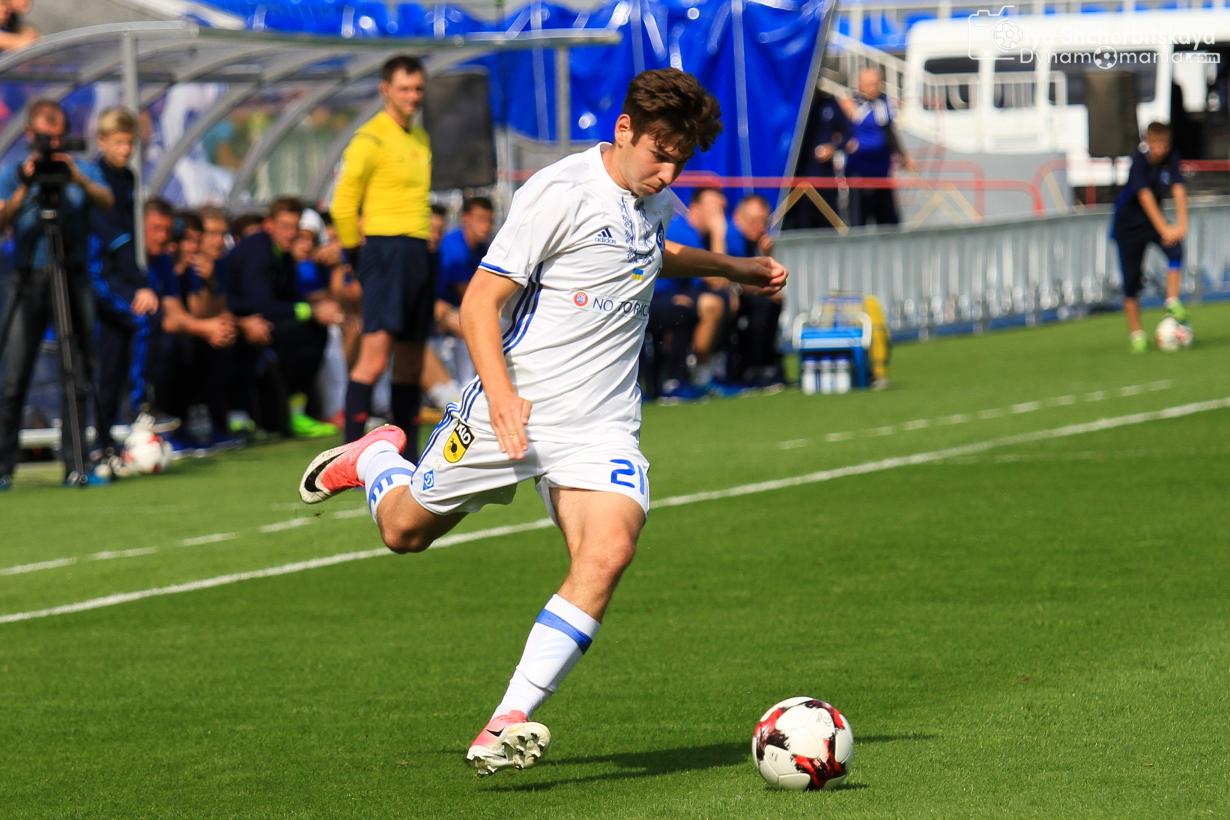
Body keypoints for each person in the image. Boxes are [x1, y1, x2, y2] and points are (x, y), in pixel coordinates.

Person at [297, 68, 786, 775]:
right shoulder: (559, 192)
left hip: (600, 427)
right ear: (624, 130)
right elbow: (479, 303)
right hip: (513, 408)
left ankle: (508, 719)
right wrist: (500, 397)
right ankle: (375, 457)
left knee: (608, 551)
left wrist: (731, 268)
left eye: (680, 160)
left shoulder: (652, 196)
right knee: (403, 532)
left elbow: (651, 253)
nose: (668, 173)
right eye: (660, 155)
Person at [0, 99, 113, 489]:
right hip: (29, 276)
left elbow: (106, 200)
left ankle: (75, 463)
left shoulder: (79, 169)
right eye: (46, 137)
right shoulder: (15, 172)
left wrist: (76, 178)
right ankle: (3, 467)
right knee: (14, 376)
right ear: (30, 135)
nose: (53, 144)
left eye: (59, 135)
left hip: (73, 275)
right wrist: (24, 187)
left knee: (77, 372)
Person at [331, 54, 433, 456]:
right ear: (385, 90)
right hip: (384, 249)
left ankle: (408, 459)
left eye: (418, 88)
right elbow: (343, 204)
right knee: (373, 358)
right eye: (404, 88)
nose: (412, 96)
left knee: (411, 361)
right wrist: (354, 255)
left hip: (417, 251)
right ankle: (349, 456)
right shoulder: (370, 138)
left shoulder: (420, 137)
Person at [227, 196, 340, 437]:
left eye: (295, 227)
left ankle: (295, 412)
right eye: (285, 226)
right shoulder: (257, 251)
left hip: (260, 321)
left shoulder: (283, 255)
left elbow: (289, 298)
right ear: (269, 225)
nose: (291, 233)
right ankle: (239, 417)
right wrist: (311, 310)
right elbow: (261, 304)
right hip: (235, 322)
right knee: (302, 331)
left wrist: (319, 310)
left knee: (314, 331)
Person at [89, 106, 157, 464]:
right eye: (118, 142)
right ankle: (139, 408)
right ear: (101, 141)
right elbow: (114, 238)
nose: (126, 150)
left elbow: (128, 236)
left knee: (113, 358)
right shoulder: (94, 177)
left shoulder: (127, 177)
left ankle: (105, 443)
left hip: (120, 274)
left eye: (130, 143)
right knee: (141, 320)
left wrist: (139, 280)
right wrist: (138, 287)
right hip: (99, 275)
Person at [1111, 121, 1189, 353]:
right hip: (1128, 226)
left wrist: (1181, 225)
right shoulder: (1138, 162)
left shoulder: (1171, 158)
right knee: (1131, 281)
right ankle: (1137, 334)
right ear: (1147, 142)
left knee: (1175, 249)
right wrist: (1164, 228)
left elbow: (1178, 188)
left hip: (1153, 223)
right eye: (1156, 143)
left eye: (1164, 144)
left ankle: (1172, 302)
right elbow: (1145, 197)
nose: (1161, 148)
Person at [431, 196, 493, 392]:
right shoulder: (454, 245)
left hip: (455, 312)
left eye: (489, 220)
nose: (486, 226)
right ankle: (472, 387)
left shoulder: (482, 248)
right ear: (465, 218)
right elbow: (470, 295)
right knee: (476, 324)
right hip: (440, 315)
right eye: (480, 219)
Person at [841, 67, 915, 228]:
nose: (873, 88)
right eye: (869, 85)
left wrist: (903, 155)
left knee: (888, 220)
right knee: (859, 219)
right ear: (860, 85)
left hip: (881, 169)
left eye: (876, 84)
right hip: (859, 171)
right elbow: (846, 127)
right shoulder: (850, 102)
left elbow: (889, 131)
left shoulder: (884, 102)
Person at [726, 194, 785, 388]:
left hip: (736, 295)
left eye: (763, 222)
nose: (759, 227)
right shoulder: (732, 236)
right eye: (753, 221)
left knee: (771, 300)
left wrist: (766, 254)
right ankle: (756, 367)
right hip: (721, 296)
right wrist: (765, 289)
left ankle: (765, 364)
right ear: (738, 217)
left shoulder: (751, 241)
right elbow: (731, 278)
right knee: (765, 303)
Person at [784, 89, 848, 231]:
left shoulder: (829, 104)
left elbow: (849, 132)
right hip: (799, 177)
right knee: (801, 222)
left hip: (824, 177)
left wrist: (833, 147)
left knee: (827, 222)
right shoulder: (792, 103)